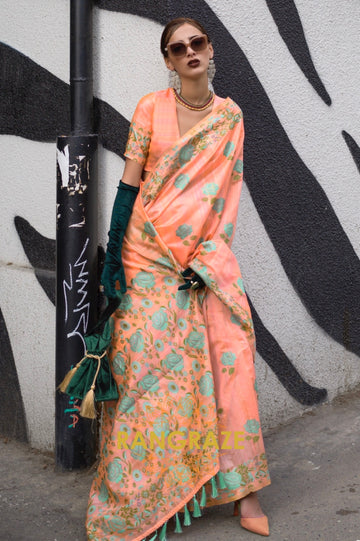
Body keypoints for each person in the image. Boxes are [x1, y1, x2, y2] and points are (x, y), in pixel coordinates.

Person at [86, 17, 271, 540]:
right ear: (169, 61)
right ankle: (150, 489)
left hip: (202, 262)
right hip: (147, 259)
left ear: (210, 51)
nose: (190, 51)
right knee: (150, 379)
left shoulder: (230, 117)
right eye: (178, 47)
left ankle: (245, 491)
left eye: (198, 42)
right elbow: (129, 188)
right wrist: (114, 262)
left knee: (229, 357)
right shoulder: (151, 108)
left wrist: (205, 259)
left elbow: (224, 198)